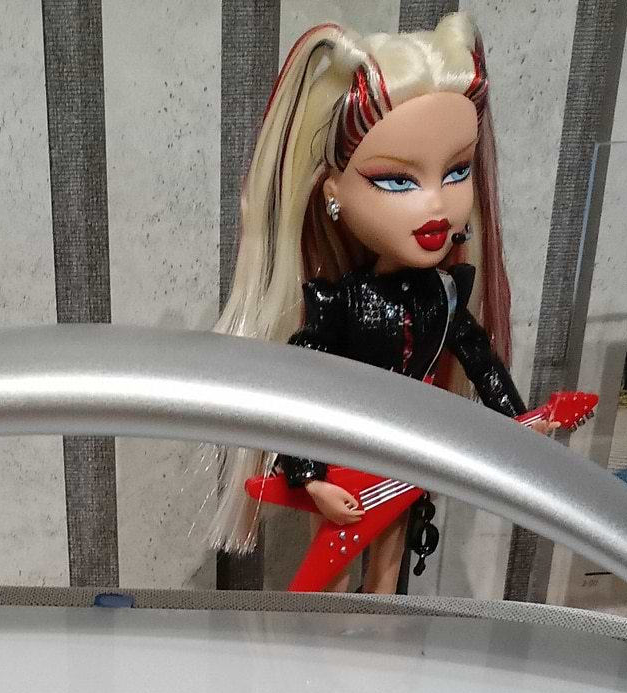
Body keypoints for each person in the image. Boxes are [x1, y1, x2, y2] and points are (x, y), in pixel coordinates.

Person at [209, 13, 557, 593]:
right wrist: (311, 479)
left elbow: (481, 360)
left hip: (405, 459)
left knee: (387, 572)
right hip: (346, 460)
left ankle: (380, 632)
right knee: (331, 576)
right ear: (332, 193)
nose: (435, 205)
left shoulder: (446, 296)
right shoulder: (341, 304)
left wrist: (518, 422)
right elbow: (299, 396)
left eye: (457, 171)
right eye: (397, 181)